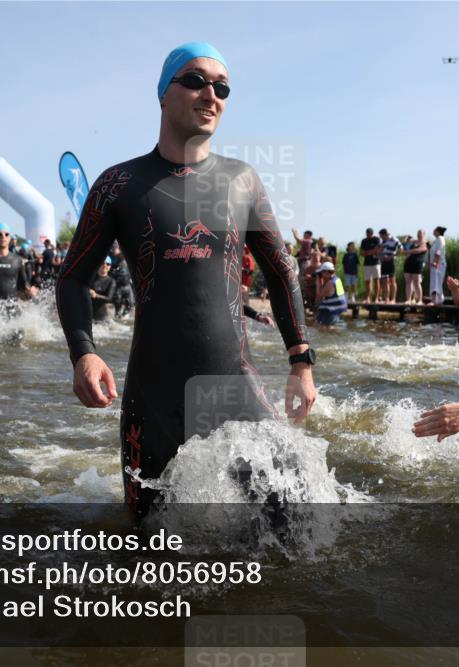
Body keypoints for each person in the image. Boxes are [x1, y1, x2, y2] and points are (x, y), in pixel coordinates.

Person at [55, 41, 315, 515]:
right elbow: (72, 278)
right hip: (153, 396)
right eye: (195, 80)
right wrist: (84, 355)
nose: (210, 94)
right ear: (163, 93)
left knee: (292, 523)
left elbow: (282, 272)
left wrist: (301, 364)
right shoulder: (118, 185)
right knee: (148, 554)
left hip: (234, 385)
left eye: (222, 87)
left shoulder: (243, 181)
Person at [314, 261, 347, 330]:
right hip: (333, 308)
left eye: (321, 273)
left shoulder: (330, 283)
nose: (321, 275)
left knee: (326, 328)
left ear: (326, 272)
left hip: (332, 309)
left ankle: (333, 339)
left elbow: (319, 295)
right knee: (317, 325)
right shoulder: (336, 279)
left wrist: (318, 281)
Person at [401, 229, 427, 304]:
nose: (419, 235)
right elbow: (404, 246)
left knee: (417, 282)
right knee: (408, 281)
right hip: (408, 263)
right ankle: (408, 299)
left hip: (418, 263)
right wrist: (406, 240)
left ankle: (420, 300)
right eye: (418, 233)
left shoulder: (426, 243)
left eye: (420, 233)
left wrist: (408, 251)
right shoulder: (413, 242)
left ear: (424, 234)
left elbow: (420, 250)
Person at [90, 256, 117, 322]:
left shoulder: (111, 281)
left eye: (108, 264)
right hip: (90, 309)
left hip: (103, 312)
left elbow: (109, 298)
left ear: (110, 267)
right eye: (102, 263)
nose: (105, 265)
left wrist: (96, 295)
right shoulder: (91, 278)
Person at [378, 229, 401, 303]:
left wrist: (393, 256)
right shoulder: (383, 242)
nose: (381, 237)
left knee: (392, 280)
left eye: (381, 236)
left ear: (384, 234)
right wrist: (381, 257)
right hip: (384, 262)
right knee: (385, 280)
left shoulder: (394, 239)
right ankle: (387, 298)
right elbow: (380, 250)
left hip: (391, 261)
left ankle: (393, 299)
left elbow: (401, 249)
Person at [359, 228, 381, 304]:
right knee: (367, 281)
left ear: (372, 233)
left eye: (369, 233)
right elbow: (361, 252)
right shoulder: (364, 241)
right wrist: (370, 252)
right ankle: (368, 298)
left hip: (376, 263)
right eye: (367, 233)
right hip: (367, 263)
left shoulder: (376, 239)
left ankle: (377, 298)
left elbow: (377, 249)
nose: (367, 234)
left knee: (376, 280)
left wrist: (368, 252)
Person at [428, 226, 447, 305]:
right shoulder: (436, 240)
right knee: (435, 282)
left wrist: (436, 262)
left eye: (434, 230)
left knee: (436, 282)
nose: (433, 231)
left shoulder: (440, 239)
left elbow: (438, 251)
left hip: (438, 264)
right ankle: (437, 300)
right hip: (435, 264)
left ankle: (435, 301)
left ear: (438, 231)